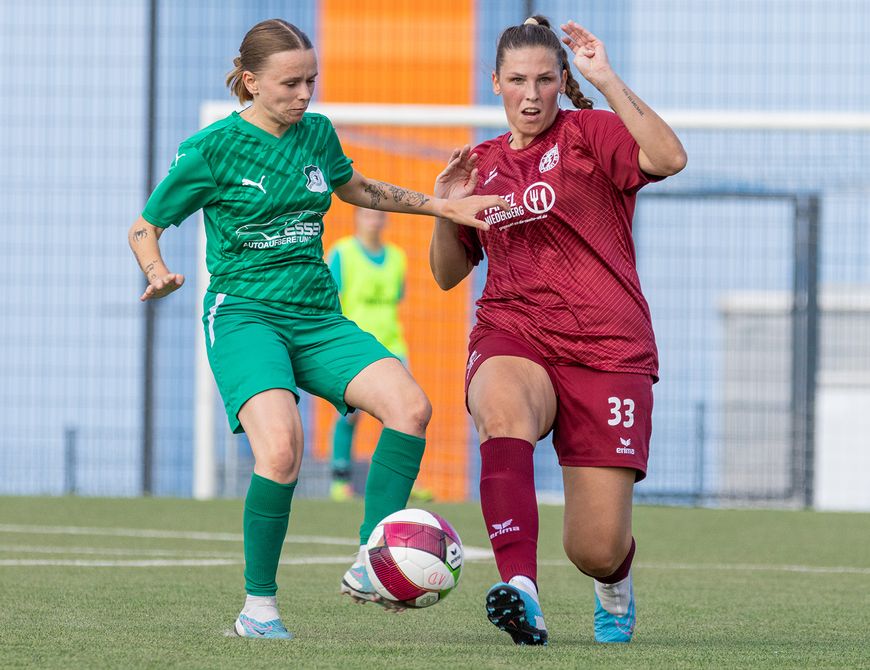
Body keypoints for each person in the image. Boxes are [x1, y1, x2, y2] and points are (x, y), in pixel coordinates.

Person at [127, 18, 506, 639]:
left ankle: (373, 559)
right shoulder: (210, 149)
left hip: (317, 317)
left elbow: (357, 189)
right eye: (290, 83)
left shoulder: (318, 134)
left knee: (411, 407)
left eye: (311, 80)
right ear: (251, 82)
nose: (305, 94)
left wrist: (441, 204)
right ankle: (258, 608)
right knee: (281, 450)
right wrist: (157, 271)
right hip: (246, 316)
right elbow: (145, 226)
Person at [429, 16, 686, 645]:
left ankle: (613, 584)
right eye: (518, 80)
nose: (532, 94)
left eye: (545, 79)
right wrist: (444, 207)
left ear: (562, 80)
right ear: (496, 82)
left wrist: (606, 78)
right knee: (499, 406)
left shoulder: (591, 133)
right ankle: (521, 588)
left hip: (608, 347)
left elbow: (670, 158)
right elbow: (448, 274)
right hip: (515, 330)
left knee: (595, 549)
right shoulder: (482, 162)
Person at [325, 209, 433, 503]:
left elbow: (397, 297)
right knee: (350, 416)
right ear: (357, 218)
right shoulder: (342, 253)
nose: (373, 221)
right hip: (354, 346)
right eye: (367, 215)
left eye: (378, 216)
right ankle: (340, 480)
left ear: (385, 220)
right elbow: (329, 299)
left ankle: (405, 480)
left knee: (407, 413)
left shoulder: (397, 257)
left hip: (393, 346)